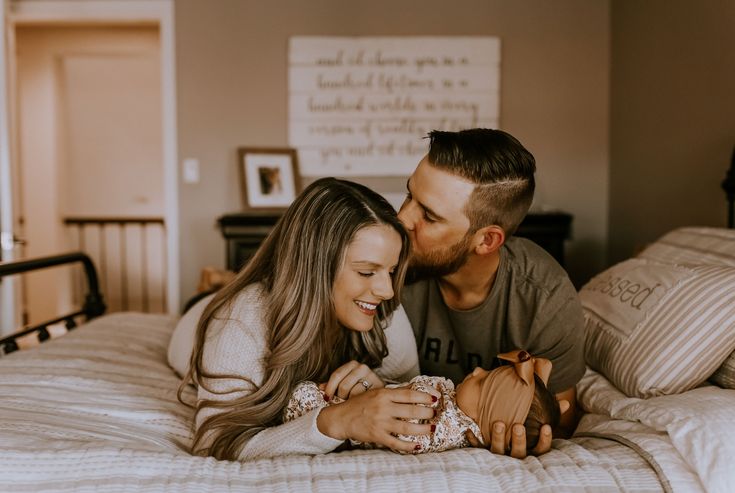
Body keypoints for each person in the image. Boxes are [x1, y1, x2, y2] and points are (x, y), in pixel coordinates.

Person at [177, 177, 436, 461]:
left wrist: (381, 389)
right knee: (208, 299)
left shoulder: (381, 306)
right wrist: (333, 421)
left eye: (391, 270)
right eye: (366, 272)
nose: (387, 290)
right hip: (195, 321)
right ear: (314, 270)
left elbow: (413, 400)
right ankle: (215, 284)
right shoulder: (237, 320)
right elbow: (212, 443)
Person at [397, 129, 586, 458]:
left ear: (486, 241)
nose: (402, 218)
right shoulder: (384, 265)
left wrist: (531, 442)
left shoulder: (545, 298)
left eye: (428, 216)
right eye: (408, 195)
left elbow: (559, 424)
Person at [284, 350, 568, 454]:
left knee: (302, 396)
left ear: (484, 426)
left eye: (482, 382)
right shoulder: (452, 403)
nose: (477, 371)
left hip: (355, 423)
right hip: (367, 402)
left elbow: (409, 433)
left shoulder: (446, 425)